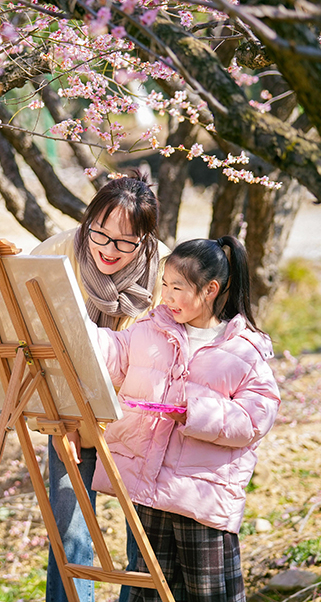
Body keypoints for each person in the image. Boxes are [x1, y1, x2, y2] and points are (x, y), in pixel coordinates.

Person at [92, 237, 280, 602]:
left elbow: (256, 417)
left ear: (210, 290)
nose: (167, 296)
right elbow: (116, 354)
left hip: (203, 497)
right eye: (164, 285)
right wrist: (80, 334)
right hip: (151, 490)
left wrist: (196, 412)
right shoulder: (151, 329)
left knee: (206, 594)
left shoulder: (243, 349)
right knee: (149, 590)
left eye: (177, 288)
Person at [31, 174, 166, 602]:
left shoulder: (165, 270)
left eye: (126, 242)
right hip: (68, 414)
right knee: (70, 534)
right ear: (87, 221)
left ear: (146, 239)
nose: (109, 250)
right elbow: (33, 337)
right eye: (101, 235)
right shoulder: (57, 254)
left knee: (142, 542)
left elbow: (163, 360)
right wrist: (61, 419)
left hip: (137, 424)